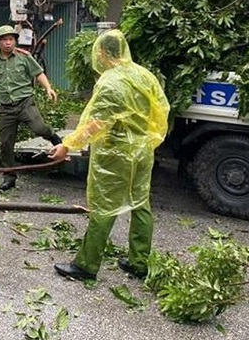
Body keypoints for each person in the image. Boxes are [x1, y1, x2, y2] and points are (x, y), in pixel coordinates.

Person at [49, 29, 169, 282]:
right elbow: (161, 111)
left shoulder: (110, 81)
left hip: (116, 153)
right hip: (143, 151)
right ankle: (139, 262)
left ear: (102, 52)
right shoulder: (145, 76)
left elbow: (96, 123)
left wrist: (67, 146)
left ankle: (86, 265)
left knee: (104, 207)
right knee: (140, 203)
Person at [0, 25, 61, 191]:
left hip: (25, 102)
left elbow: (38, 73)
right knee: (5, 144)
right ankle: (9, 177)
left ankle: (54, 138)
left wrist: (48, 88)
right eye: (5, 40)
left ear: (15, 41)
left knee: (39, 128)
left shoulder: (24, 57)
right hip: (6, 108)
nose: (8, 43)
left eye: (11, 39)